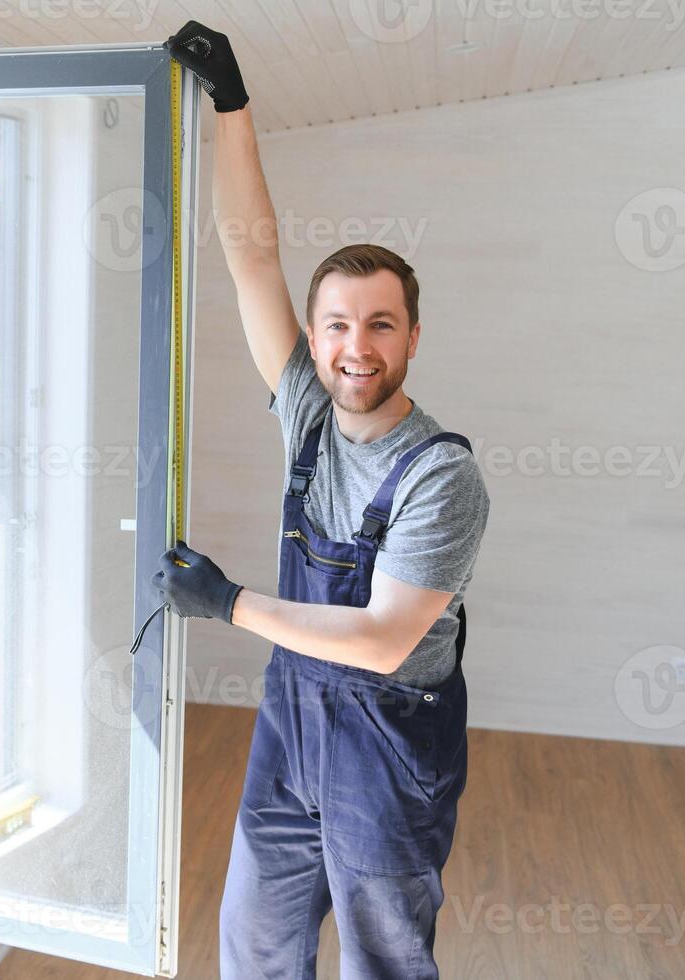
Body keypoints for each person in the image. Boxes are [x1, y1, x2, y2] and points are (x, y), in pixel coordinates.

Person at [149, 20, 492, 980]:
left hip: (387, 753)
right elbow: (250, 253)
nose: (356, 347)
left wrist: (227, 605)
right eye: (338, 325)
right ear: (314, 333)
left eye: (380, 324)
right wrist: (232, 105)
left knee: (381, 960)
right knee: (256, 945)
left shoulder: (440, 475)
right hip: (291, 728)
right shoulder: (306, 410)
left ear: (413, 336)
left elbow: (385, 640)